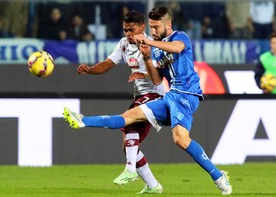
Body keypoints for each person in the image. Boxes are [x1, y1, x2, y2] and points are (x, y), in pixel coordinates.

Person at [63, 6, 232, 195]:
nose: (153, 32)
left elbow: (176, 48)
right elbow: (158, 79)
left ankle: (218, 176)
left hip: (186, 94)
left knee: (180, 139)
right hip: (170, 95)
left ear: (168, 24)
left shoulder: (180, 36)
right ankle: (83, 120)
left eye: (156, 27)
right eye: (151, 28)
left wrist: (149, 44)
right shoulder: (155, 50)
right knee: (129, 117)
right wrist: (147, 58)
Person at [72, 11, 164, 194]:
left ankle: (130, 169)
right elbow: (107, 64)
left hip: (156, 96)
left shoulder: (153, 45)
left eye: (131, 30)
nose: (128, 34)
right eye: (125, 30)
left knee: (127, 125)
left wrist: (142, 73)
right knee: (129, 144)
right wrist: (89, 69)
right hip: (140, 97)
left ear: (142, 27)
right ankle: (153, 185)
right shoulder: (124, 44)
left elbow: (160, 77)